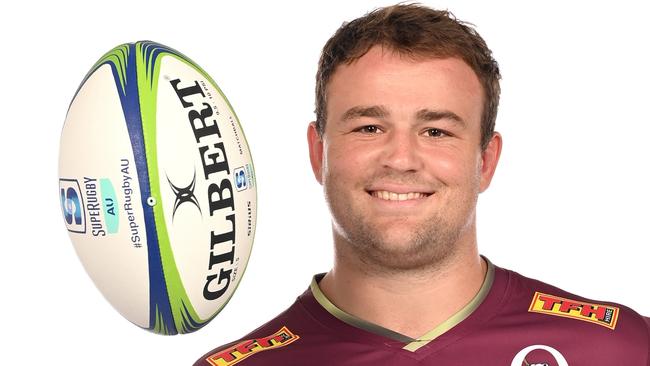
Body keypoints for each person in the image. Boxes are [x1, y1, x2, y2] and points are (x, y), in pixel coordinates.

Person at [194, 4, 650, 365]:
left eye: (436, 131)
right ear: (319, 153)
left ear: (486, 160)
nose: (401, 159)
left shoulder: (619, 350)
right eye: (368, 127)